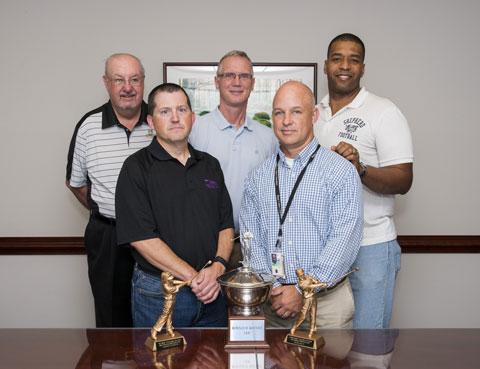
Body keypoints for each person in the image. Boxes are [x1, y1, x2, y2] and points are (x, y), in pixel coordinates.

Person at [240, 81, 363, 329]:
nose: (287, 121)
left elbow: (344, 239)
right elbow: (249, 239)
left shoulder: (341, 172)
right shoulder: (257, 177)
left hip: (327, 307)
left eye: (296, 112)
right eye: (279, 112)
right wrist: (274, 288)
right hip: (273, 305)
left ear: (314, 115)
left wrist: (300, 290)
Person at [314, 33, 414, 328]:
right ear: (325, 65)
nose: (345, 66)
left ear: (363, 68)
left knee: (367, 344)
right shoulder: (313, 113)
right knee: (324, 348)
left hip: (370, 246)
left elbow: (403, 180)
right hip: (323, 248)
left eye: (353, 60)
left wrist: (361, 168)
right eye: (337, 58)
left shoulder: (384, 111)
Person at [115, 83, 234, 328]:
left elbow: (226, 224)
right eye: (165, 111)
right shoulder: (136, 168)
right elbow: (142, 238)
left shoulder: (210, 165)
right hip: (160, 294)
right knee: (160, 365)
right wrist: (195, 278)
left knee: (215, 363)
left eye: (181, 109)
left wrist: (218, 267)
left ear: (193, 117)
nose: (175, 118)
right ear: (151, 121)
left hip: (213, 291)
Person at [66, 53, 151, 327]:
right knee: (111, 320)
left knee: (158, 312)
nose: (128, 87)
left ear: (143, 82)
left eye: (134, 79)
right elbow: (76, 183)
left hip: (157, 238)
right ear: (106, 83)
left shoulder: (161, 122)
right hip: (108, 236)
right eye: (119, 79)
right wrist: (106, 209)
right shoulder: (89, 126)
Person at [189, 50, 277, 269]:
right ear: (216, 81)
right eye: (229, 75)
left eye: (244, 76)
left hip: (254, 247)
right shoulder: (194, 131)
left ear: (253, 83)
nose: (237, 82)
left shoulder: (269, 137)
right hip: (206, 244)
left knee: (257, 304)